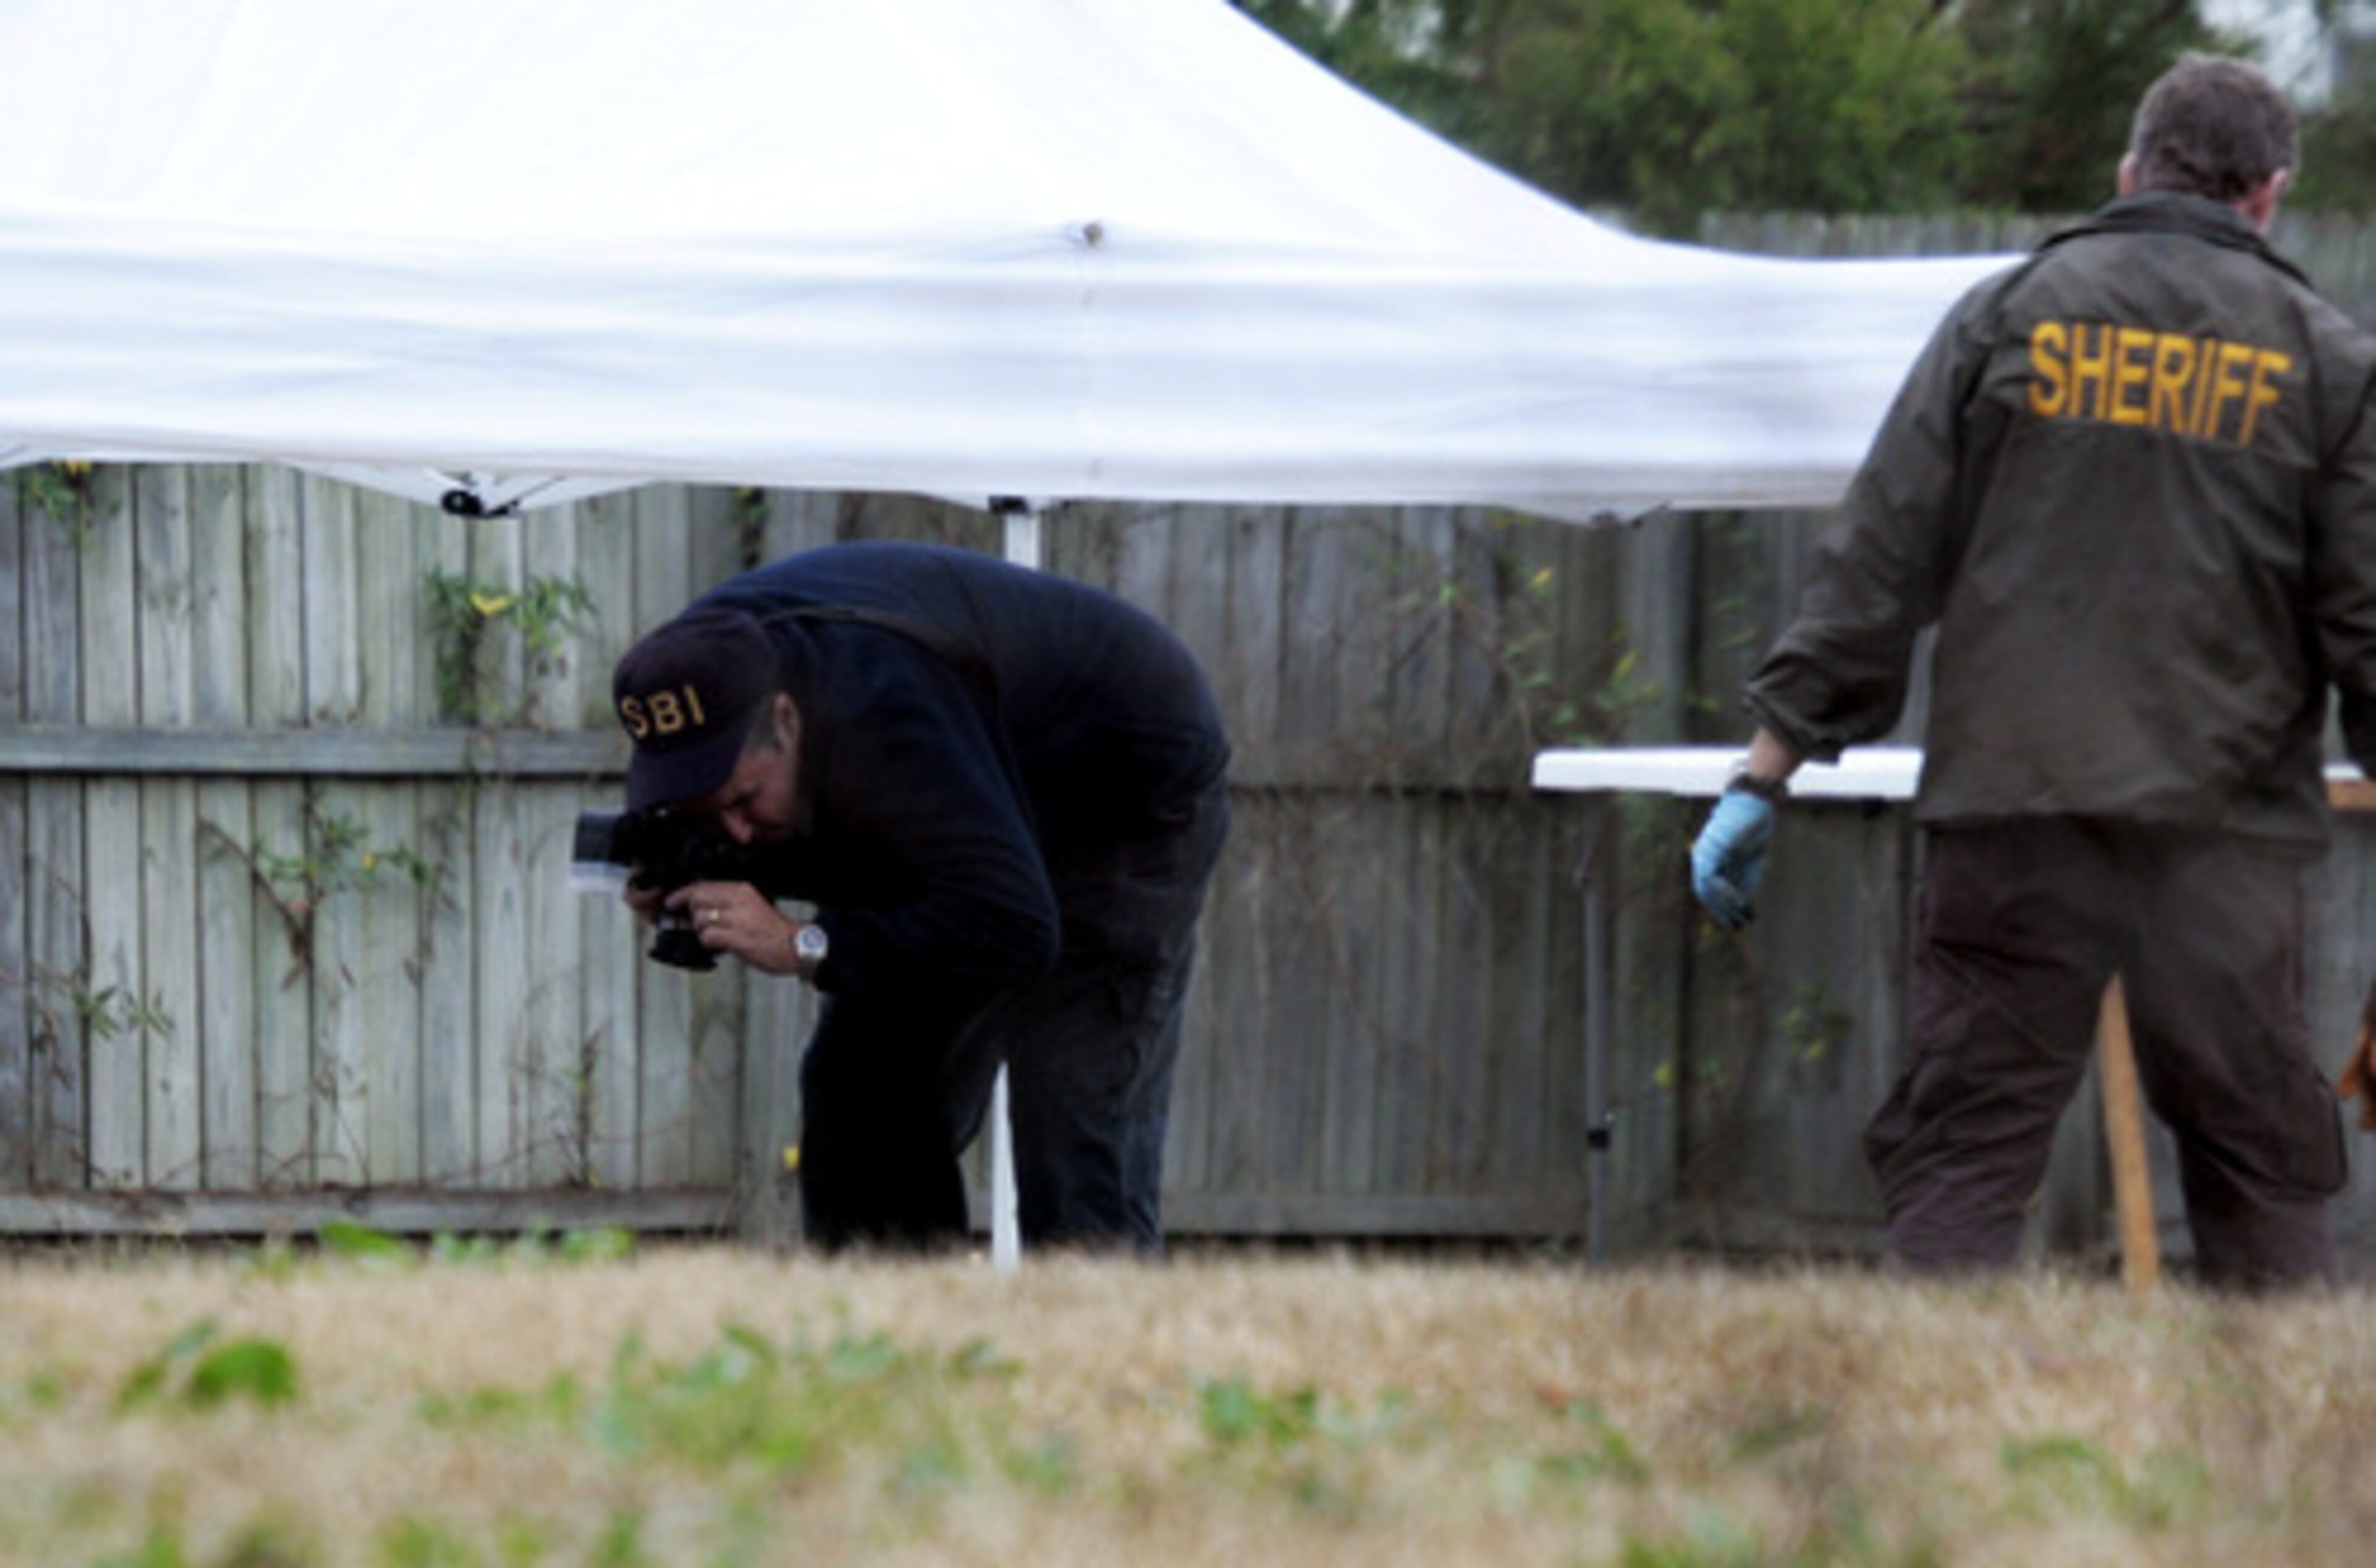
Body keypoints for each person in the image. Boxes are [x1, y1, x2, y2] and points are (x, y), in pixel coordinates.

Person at [1688, 54, 2376, 1290]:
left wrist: (1765, 772)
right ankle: (2284, 1469)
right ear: (2267, 196)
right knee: (2262, 1166)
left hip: (2014, 821)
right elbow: (2373, 628)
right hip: (2217, 845)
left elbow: (1878, 562)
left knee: (1962, 1152)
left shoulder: (2009, 317)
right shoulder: (2325, 363)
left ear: (2129, 171)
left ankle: (1920, 1460)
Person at [609, 538, 1231, 1254]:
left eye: (746, 799)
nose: (738, 831)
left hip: (1117, 790)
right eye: (707, 813)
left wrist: (802, 944)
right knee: (858, 1089)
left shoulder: (888, 707)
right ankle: (891, 1337)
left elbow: (1014, 925)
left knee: (1065, 1111)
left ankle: (1106, 1355)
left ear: (786, 718)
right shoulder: (698, 674)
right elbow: (870, 852)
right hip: (975, 801)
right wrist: (693, 866)